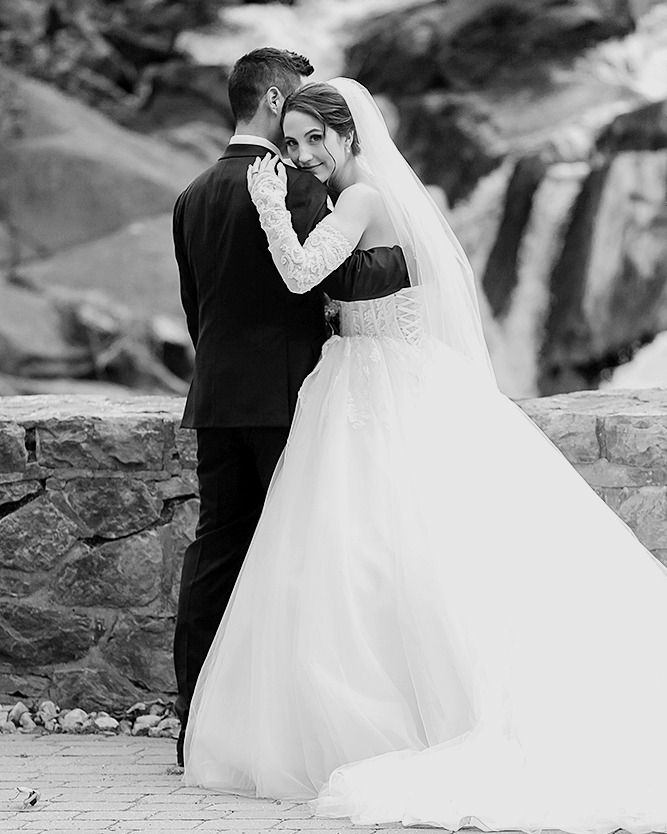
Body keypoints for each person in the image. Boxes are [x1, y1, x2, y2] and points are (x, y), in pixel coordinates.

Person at [184, 78, 667, 833]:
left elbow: (304, 274)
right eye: (294, 141)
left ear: (350, 136)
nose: (304, 153)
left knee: (382, 550)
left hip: (375, 387)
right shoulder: (380, 193)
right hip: (376, 377)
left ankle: (405, 720)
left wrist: (271, 205)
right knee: (373, 555)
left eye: (318, 138)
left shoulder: (363, 198)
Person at [172, 55, 409, 768]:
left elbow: (196, 308)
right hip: (291, 401)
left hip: (217, 398)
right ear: (274, 100)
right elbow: (317, 287)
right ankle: (297, 731)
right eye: (294, 115)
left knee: (216, 556)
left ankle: (197, 725)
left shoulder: (190, 195)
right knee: (303, 561)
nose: (302, 142)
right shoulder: (299, 189)